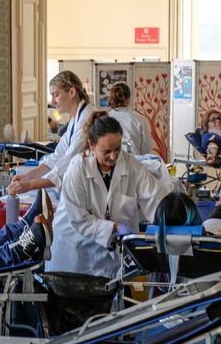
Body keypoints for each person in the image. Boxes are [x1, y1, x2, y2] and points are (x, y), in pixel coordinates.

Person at [45, 111, 169, 278]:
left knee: (109, 298)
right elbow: (80, 220)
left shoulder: (130, 165)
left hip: (109, 256)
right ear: (91, 145)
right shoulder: (77, 169)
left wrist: (171, 215)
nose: (113, 156)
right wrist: (115, 227)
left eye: (117, 149)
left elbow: (155, 196)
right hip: (74, 252)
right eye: (107, 151)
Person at [8, 71, 93, 195]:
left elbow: (67, 164)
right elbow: (57, 157)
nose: (52, 102)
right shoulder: (76, 118)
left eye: (56, 95)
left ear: (72, 92)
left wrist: (30, 185)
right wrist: (27, 177)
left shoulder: (86, 119)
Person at [106, 82, 153, 156]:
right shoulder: (139, 119)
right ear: (128, 99)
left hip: (112, 163)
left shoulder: (106, 118)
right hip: (135, 162)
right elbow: (146, 149)